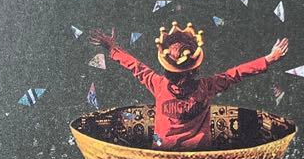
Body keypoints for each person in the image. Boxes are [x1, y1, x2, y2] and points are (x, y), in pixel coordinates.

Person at [89, 22, 288, 150]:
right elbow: (236, 73)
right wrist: (268, 59)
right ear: (195, 69)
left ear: (167, 69)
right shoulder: (207, 86)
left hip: (162, 153)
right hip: (198, 156)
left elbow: (135, 66)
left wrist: (112, 48)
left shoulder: (158, 83)